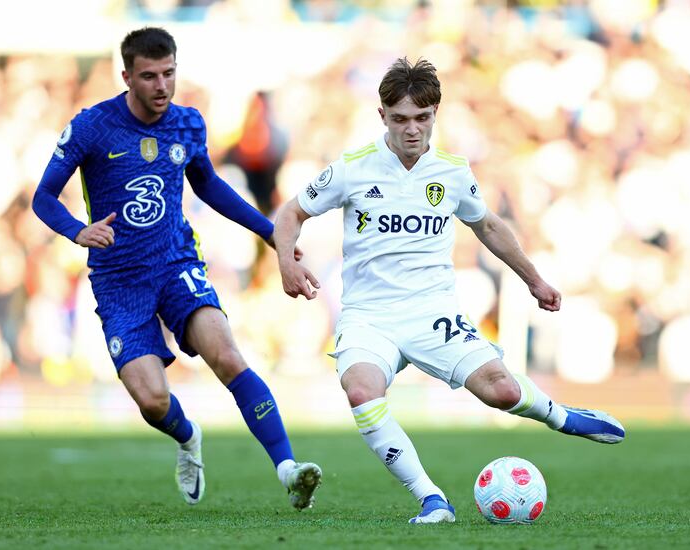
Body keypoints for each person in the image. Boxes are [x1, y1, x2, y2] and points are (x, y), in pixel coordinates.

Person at [273, 57, 624, 524]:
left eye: (422, 118)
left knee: (499, 391)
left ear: (436, 114)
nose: (412, 130)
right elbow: (290, 214)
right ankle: (431, 499)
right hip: (369, 315)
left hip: (432, 311)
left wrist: (534, 280)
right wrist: (285, 264)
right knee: (360, 390)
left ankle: (561, 416)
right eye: (400, 119)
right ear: (382, 116)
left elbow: (490, 226)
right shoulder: (352, 169)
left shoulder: (453, 172)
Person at [31, 27, 321, 509]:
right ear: (126, 76)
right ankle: (188, 438)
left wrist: (270, 233)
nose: (162, 85)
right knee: (153, 401)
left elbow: (208, 186)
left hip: (175, 263)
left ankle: (288, 468)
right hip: (119, 282)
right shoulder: (91, 127)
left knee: (226, 355)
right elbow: (43, 197)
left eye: (169, 73)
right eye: (149, 76)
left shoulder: (188, 124)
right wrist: (78, 231)